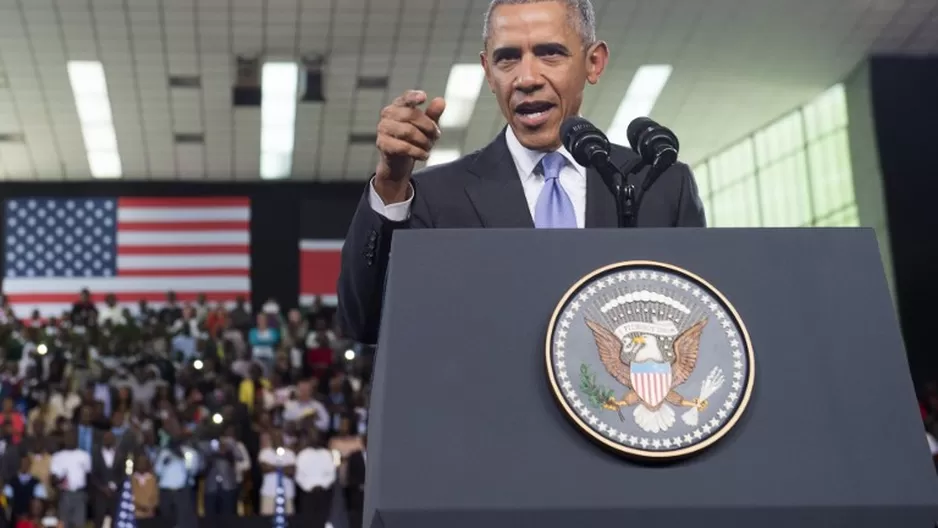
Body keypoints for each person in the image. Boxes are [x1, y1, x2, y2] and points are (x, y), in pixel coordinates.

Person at [337, 0, 706, 344]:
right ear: (488, 72)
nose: (527, 78)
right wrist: (390, 182)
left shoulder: (660, 185)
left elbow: (701, 323)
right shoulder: (435, 197)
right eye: (508, 58)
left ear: (594, 62)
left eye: (550, 53)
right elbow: (365, 322)